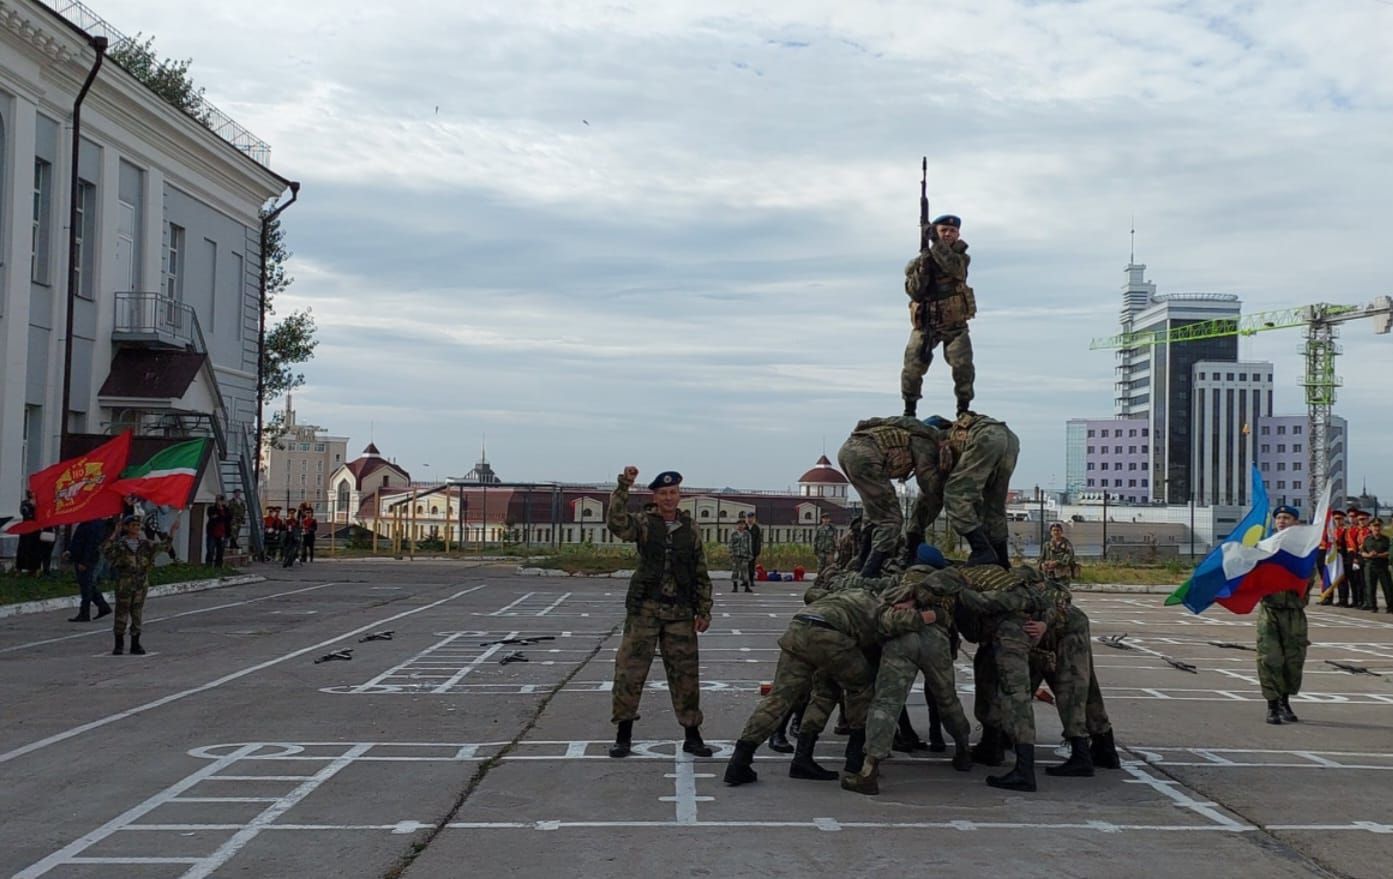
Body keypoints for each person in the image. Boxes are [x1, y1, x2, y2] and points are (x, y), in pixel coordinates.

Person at [723, 586, 935, 786]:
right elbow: (903, 621)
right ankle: (854, 760)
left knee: (783, 697)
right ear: (901, 601)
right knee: (861, 689)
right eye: (911, 604)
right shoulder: (881, 608)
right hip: (830, 637)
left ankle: (741, 761)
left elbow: (813, 593)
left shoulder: (851, 594)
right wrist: (932, 616)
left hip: (800, 628)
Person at [842, 548, 972, 795]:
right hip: (936, 640)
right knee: (947, 698)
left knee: (887, 702)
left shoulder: (899, 581)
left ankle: (870, 768)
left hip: (901, 640)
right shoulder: (949, 584)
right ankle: (963, 749)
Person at [605, 467, 715, 759]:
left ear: (680, 496)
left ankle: (692, 735)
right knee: (629, 672)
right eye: (664, 493)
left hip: (680, 612)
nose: (669, 498)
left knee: (686, 675)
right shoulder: (643, 523)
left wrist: (704, 608)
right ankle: (623, 735)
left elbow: (700, 571)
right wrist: (623, 486)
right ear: (655, 495)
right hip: (645, 610)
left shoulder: (690, 528)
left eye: (674, 493)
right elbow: (617, 524)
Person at [907, 410, 1020, 571]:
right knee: (993, 505)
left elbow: (931, 492)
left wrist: (913, 535)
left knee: (955, 495)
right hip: (1008, 437)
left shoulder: (926, 441)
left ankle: (982, 550)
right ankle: (1001, 561)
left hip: (985, 437)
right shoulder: (955, 433)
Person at [838, 415, 946, 577]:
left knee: (873, 514)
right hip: (866, 458)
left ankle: (861, 561)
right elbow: (927, 481)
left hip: (847, 451)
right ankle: (869, 572)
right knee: (891, 520)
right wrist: (942, 480)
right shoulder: (924, 441)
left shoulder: (898, 431)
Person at [901, 214, 976, 417]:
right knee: (912, 367)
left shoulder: (961, 257)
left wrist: (934, 240)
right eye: (943, 230)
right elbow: (914, 292)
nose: (948, 234)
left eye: (952, 231)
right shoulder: (920, 261)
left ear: (958, 233)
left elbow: (955, 268)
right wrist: (923, 269)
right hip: (926, 325)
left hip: (954, 326)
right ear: (936, 230)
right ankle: (909, 410)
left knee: (963, 368)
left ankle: (963, 410)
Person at [1258, 505, 1310, 725]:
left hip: (1294, 613)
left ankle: (1285, 701)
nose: (1281, 521)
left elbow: (1308, 578)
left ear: (1295, 522)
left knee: (1293, 660)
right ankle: (1272, 705)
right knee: (1270, 658)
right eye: (1278, 517)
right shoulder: (1265, 547)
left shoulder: (1304, 549)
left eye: (1287, 517)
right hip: (1270, 611)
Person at [104, 514, 175, 655]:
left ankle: (135, 644)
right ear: (126, 527)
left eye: (138, 526)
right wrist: (114, 534)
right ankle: (119, 644)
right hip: (125, 582)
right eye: (133, 526)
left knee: (137, 614)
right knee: (121, 613)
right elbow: (105, 550)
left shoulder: (146, 544)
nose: (136, 528)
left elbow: (164, 547)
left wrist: (172, 532)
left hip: (141, 583)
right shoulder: (120, 545)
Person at [66, 517, 114, 622]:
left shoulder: (95, 525)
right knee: (87, 584)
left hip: (86, 559)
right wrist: (70, 551)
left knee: (86, 586)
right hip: (79, 557)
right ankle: (102, 606)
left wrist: (84, 562)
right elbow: (78, 540)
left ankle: (85, 612)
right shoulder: (86, 523)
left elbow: (91, 545)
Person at [1361, 518, 1391, 613]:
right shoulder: (1367, 539)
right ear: (1370, 527)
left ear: (1381, 527)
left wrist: (1378, 555)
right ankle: (1373, 606)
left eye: (1378, 526)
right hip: (1370, 565)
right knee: (1370, 587)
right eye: (1374, 526)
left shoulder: (1386, 539)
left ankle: (1390, 606)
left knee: (1387, 587)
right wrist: (1369, 555)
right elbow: (1362, 552)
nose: (1376, 528)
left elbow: (1389, 552)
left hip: (1382, 565)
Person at [1344, 507, 1368, 610]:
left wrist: (1356, 557)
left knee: (1360, 580)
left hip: (1358, 555)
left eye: (1354, 517)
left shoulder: (1361, 530)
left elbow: (1359, 545)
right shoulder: (1349, 529)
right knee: (1352, 580)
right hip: (1350, 555)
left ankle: (1361, 600)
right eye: (1350, 516)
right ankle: (1355, 600)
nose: (1352, 519)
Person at [16, 489, 41, 575]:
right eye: (31, 492)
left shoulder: (39, 503)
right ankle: (19, 569)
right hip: (26, 528)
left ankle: (34, 569)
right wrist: (30, 505)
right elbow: (23, 511)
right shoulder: (25, 502)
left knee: (35, 549)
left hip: (35, 529)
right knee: (23, 548)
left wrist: (36, 506)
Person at [728, 518, 753, 593]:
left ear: (745, 525)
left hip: (745, 555)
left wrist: (750, 554)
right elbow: (730, 544)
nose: (741, 526)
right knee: (735, 572)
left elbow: (749, 544)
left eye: (742, 525)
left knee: (745, 572)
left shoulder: (747, 534)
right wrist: (731, 554)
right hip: (736, 555)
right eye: (739, 525)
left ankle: (747, 587)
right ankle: (735, 587)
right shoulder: (734, 534)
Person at [813, 512, 838, 578]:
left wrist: (836, 548)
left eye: (827, 519)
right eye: (824, 519)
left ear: (829, 519)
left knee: (829, 566)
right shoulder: (819, 529)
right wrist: (815, 550)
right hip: (821, 550)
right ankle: (819, 579)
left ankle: (828, 579)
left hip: (830, 551)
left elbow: (835, 539)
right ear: (822, 520)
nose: (826, 520)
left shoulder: (833, 529)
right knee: (820, 566)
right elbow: (816, 540)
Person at [205, 496, 228, 567]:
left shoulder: (226, 510)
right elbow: (212, 517)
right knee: (210, 550)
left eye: (220, 500)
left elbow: (226, 518)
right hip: (212, 533)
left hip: (222, 533)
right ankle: (208, 566)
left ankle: (218, 566)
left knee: (220, 552)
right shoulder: (212, 508)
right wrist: (219, 515)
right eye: (217, 500)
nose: (219, 502)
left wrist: (219, 516)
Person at [747, 510, 763, 587]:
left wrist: (757, 551)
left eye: (752, 518)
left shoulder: (756, 528)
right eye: (749, 518)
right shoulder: (744, 527)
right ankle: (745, 580)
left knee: (751, 566)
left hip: (753, 550)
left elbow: (758, 540)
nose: (750, 519)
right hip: (744, 550)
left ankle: (751, 580)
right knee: (744, 566)